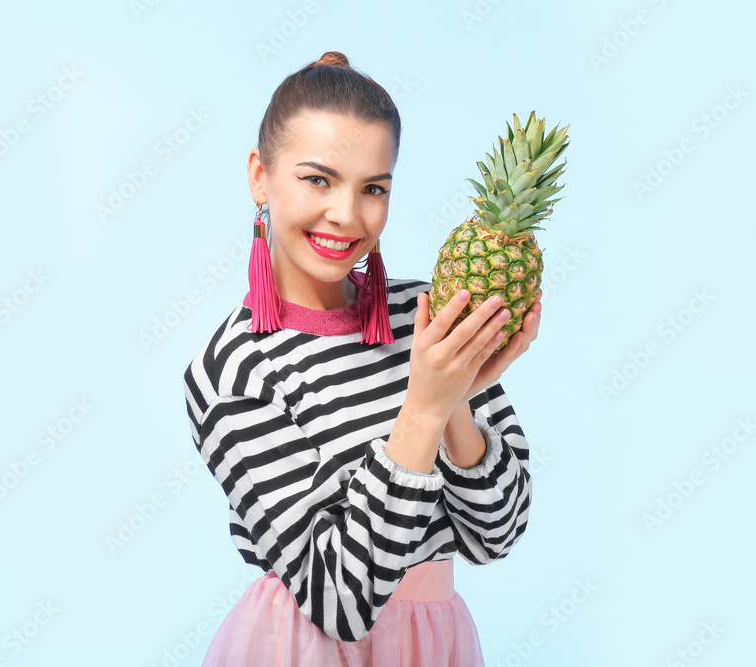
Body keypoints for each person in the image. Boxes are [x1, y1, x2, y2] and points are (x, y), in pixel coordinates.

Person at [182, 50, 541, 667]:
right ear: (259, 176)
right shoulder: (232, 370)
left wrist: (457, 401)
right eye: (317, 179)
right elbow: (341, 603)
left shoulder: (426, 315)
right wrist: (424, 407)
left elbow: (497, 536)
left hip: (437, 645)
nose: (346, 215)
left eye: (373, 188)